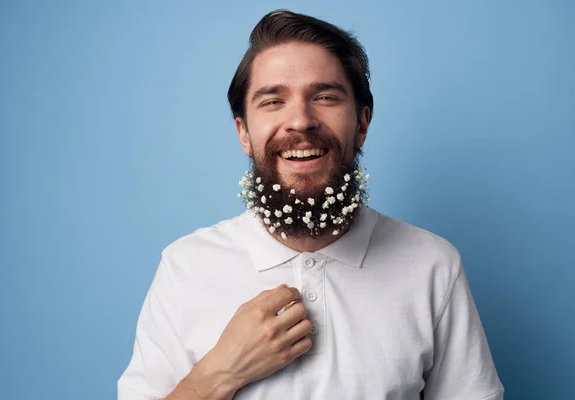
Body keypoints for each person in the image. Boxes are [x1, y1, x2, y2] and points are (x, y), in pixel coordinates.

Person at [117, 9, 504, 400]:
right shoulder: (185, 268)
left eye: (324, 97)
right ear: (244, 133)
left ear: (362, 124)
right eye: (272, 101)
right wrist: (220, 373)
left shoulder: (433, 265)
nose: (300, 121)